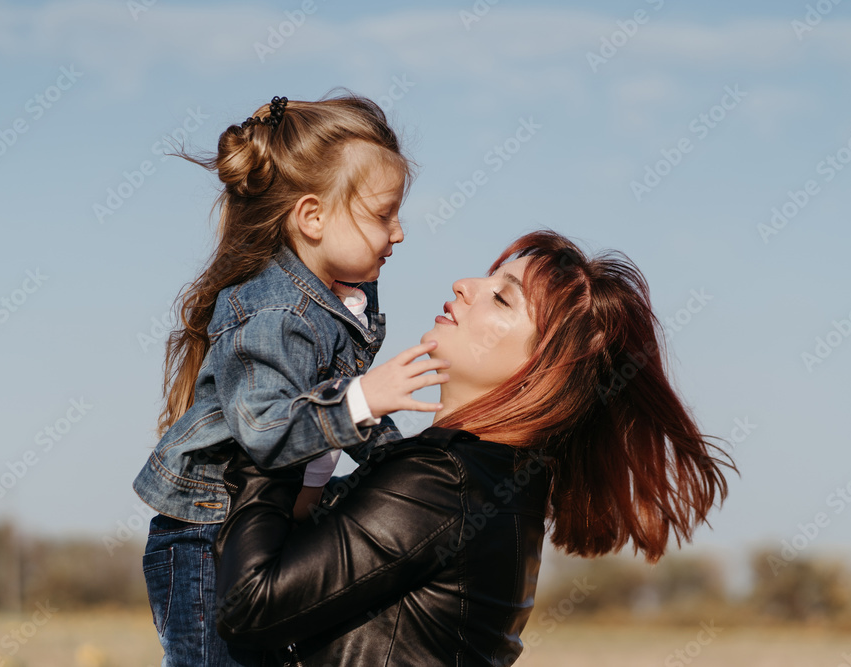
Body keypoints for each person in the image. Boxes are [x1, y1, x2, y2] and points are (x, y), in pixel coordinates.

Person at [213, 230, 735, 666]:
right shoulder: (493, 482)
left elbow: (249, 606)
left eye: (502, 297)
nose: (464, 285)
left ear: (544, 370)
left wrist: (273, 432)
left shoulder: (446, 483)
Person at [132, 93, 449, 666]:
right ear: (312, 217)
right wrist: (365, 398)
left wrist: (411, 466)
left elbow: (342, 409)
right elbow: (268, 433)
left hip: (269, 525)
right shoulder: (275, 313)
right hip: (206, 536)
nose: (398, 233)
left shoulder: (335, 304)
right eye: (383, 215)